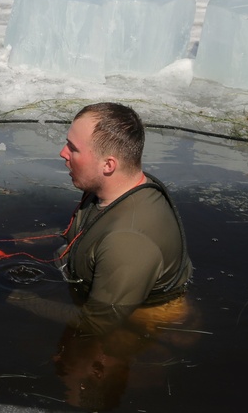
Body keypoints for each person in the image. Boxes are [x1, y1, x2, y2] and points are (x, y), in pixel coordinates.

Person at [54, 102, 193, 335]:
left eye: (73, 148)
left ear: (108, 165)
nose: (62, 153)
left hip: (137, 322)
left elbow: (97, 323)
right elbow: (80, 232)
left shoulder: (128, 241)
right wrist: (16, 240)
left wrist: (15, 297)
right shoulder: (112, 188)